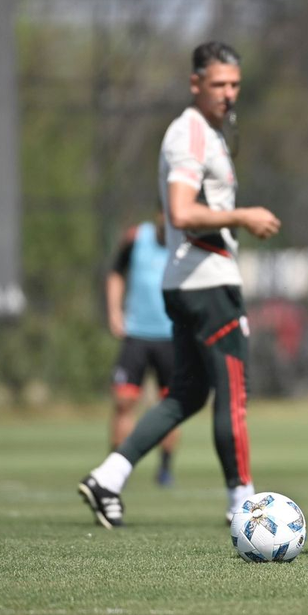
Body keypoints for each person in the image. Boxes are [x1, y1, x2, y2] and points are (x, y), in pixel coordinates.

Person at [79, 41, 282, 529]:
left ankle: (108, 477)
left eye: (235, 84)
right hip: (207, 283)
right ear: (195, 84)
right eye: (218, 84)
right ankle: (243, 504)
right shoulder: (189, 133)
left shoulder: (208, 134)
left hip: (189, 282)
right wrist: (243, 216)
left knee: (186, 394)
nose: (228, 93)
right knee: (233, 393)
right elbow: (183, 212)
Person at [105, 208, 181, 487]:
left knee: (171, 406)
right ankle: (114, 470)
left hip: (172, 337)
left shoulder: (185, 245)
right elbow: (116, 273)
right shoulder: (136, 238)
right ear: (160, 213)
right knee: (123, 402)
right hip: (136, 334)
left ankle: (165, 468)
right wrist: (115, 312)